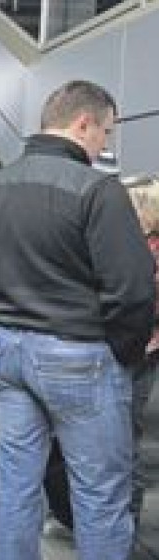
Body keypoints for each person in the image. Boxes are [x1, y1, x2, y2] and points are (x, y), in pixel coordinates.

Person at [0, 80, 155, 560]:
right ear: (83, 124)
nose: (103, 145)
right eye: (105, 132)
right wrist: (125, 352)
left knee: (17, 492)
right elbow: (133, 288)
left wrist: (7, 317)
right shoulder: (97, 190)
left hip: (9, 353)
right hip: (81, 357)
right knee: (100, 501)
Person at [123, 174, 159, 529]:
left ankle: (128, 525)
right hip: (134, 347)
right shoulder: (136, 243)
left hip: (140, 351)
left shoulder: (150, 250)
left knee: (126, 437)